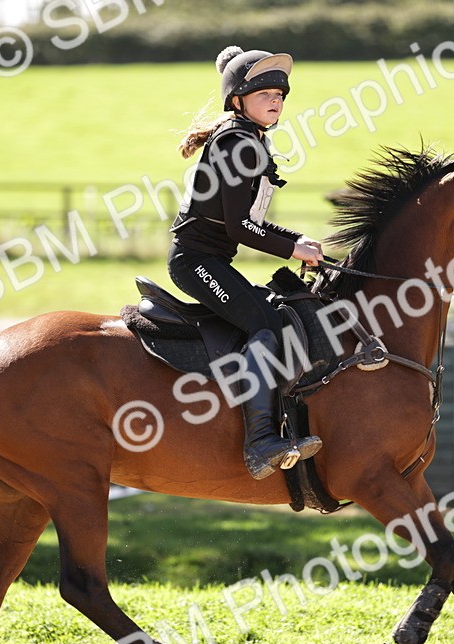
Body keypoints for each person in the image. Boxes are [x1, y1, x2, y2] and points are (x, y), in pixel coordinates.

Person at [169, 46, 324, 480]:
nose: (275, 101)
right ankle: (260, 443)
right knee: (265, 324)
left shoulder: (248, 138)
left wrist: (297, 239)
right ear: (237, 100)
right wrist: (294, 249)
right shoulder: (238, 143)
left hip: (211, 259)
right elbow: (239, 228)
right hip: (195, 262)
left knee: (273, 316)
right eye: (264, 94)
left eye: (280, 94)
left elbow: (248, 221)